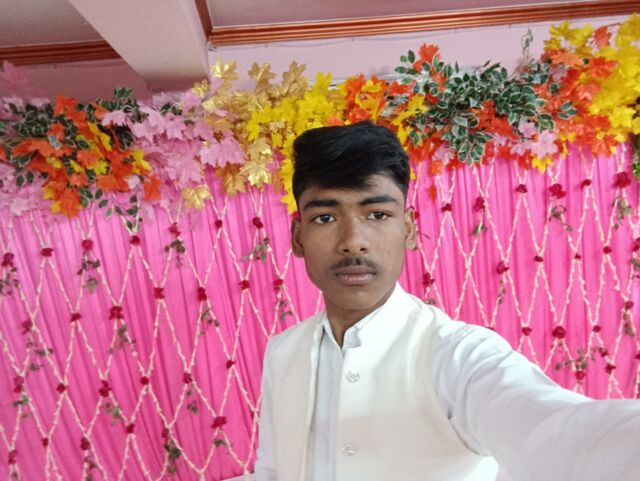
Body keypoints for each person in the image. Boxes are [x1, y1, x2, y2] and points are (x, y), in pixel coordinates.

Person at [253, 121, 640, 481]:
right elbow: (271, 471)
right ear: (298, 237)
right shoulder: (283, 352)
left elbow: (553, 430)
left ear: (408, 230)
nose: (353, 241)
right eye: (325, 217)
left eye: (377, 214)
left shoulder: (457, 354)